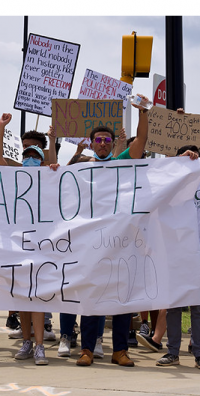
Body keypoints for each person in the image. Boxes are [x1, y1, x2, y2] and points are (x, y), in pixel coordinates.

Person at [76, 94, 150, 368]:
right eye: (99, 140)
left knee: (121, 296)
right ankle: (86, 349)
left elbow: (140, 142)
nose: (104, 143)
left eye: (108, 139)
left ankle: (120, 350)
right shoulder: (81, 169)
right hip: (91, 244)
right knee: (91, 296)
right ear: (92, 142)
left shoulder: (122, 161)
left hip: (120, 242)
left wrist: (143, 112)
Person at [0, 113, 58, 365]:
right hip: (18, 244)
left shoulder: (50, 175)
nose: (30, 159)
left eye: (36, 156)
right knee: (22, 295)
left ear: (43, 160)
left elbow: (54, 166)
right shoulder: (15, 176)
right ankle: (27, 342)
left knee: (39, 296)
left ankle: (40, 345)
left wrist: (52, 147)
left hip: (42, 244)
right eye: (26, 156)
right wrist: (1, 128)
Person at [155, 144, 200, 368]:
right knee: (173, 305)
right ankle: (173, 352)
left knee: (197, 306)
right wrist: (176, 164)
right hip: (175, 251)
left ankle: (199, 355)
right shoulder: (171, 183)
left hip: (198, 254)